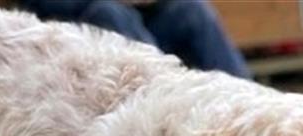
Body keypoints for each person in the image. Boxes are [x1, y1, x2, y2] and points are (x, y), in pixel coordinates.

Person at [19, 0, 251, 79]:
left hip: (144, 25)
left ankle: (251, 101)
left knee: (192, 9)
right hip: (81, 36)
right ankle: (166, 97)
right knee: (109, 12)